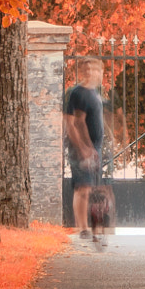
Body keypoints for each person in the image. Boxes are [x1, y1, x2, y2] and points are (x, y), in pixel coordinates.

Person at [64, 58, 107, 240]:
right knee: (82, 187)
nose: (90, 72)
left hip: (93, 147)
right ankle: (82, 229)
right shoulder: (76, 92)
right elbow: (70, 122)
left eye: (94, 69)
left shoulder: (95, 93)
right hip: (80, 147)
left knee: (88, 187)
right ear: (82, 71)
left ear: (101, 73)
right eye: (87, 69)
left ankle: (87, 227)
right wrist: (82, 147)